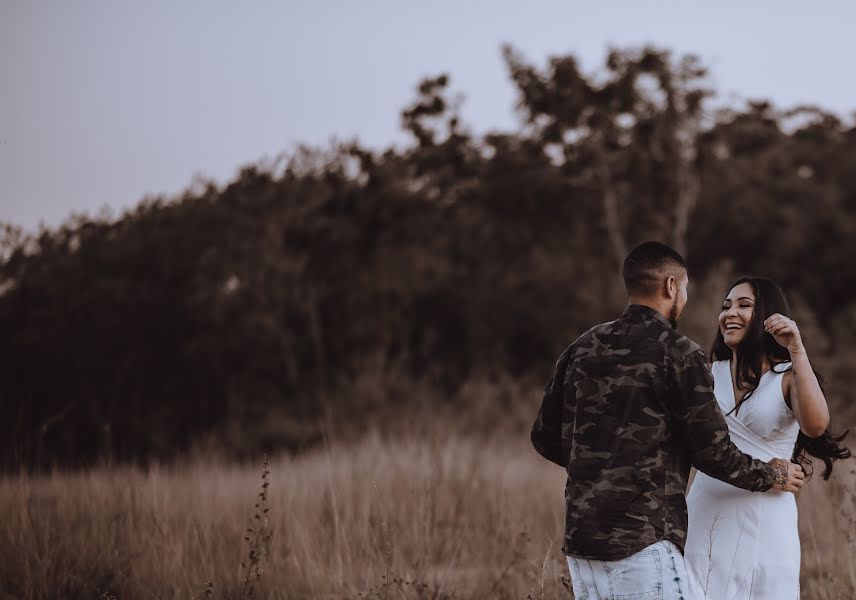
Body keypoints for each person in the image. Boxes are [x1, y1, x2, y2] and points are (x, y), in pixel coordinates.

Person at [531, 242, 805, 600]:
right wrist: (772, 474)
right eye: (686, 288)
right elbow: (712, 452)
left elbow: (544, 436)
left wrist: (603, 462)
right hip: (644, 543)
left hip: (582, 544)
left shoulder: (582, 347)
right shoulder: (678, 352)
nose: (685, 298)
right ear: (671, 286)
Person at [684, 277, 850, 600]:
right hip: (705, 515)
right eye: (726, 306)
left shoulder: (787, 376)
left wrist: (797, 348)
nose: (730, 313)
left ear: (769, 316)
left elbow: (815, 426)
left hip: (767, 521)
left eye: (744, 305)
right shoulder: (706, 372)